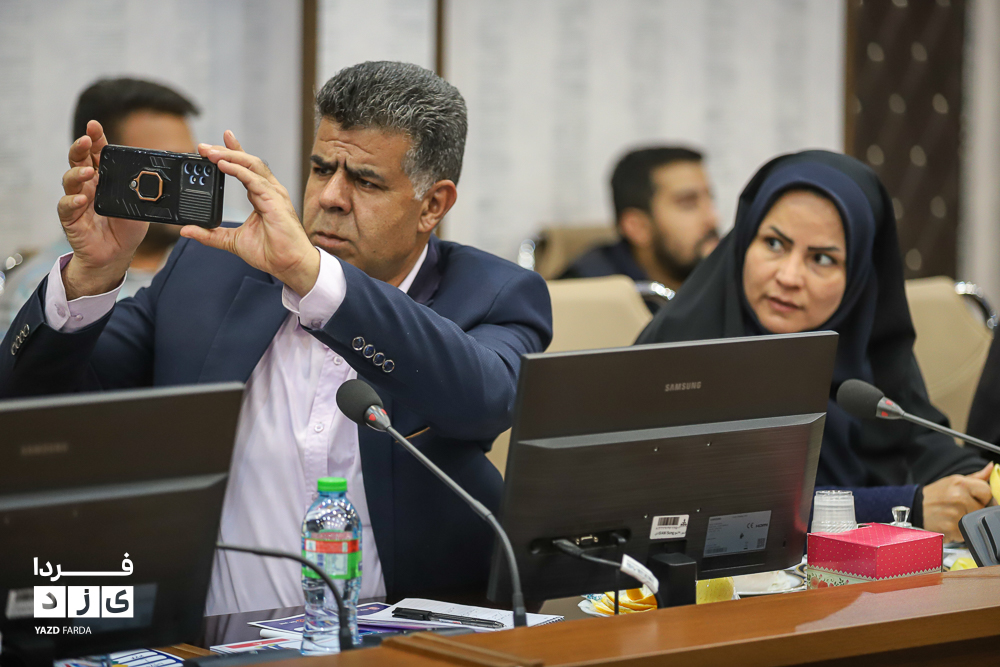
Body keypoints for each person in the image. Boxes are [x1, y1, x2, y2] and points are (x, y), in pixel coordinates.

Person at [0, 61, 552, 612]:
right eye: (321, 168)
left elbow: (485, 400)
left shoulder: (492, 292)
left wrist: (316, 281)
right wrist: (90, 276)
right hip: (212, 637)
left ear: (433, 204)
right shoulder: (208, 271)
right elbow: (36, 403)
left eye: (365, 181)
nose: (331, 197)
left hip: (414, 633)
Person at [636, 150, 992, 542]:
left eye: (821, 258)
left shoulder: (866, 351)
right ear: (745, 240)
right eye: (774, 243)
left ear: (858, 275)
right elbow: (708, 509)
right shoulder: (681, 350)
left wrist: (980, 485)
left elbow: (925, 450)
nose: (789, 276)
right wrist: (905, 508)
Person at [0, 77, 198, 336]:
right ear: (100, 170)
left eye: (189, 164)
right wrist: (88, 281)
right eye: (163, 168)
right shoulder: (42, 292)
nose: (183, 184)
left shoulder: (228, 247)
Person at [559, 146, 719, 309]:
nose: (712, 219)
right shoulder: (585, 296)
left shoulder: (724, 279)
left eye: (710, 199)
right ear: (638, 227)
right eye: (688, 204)